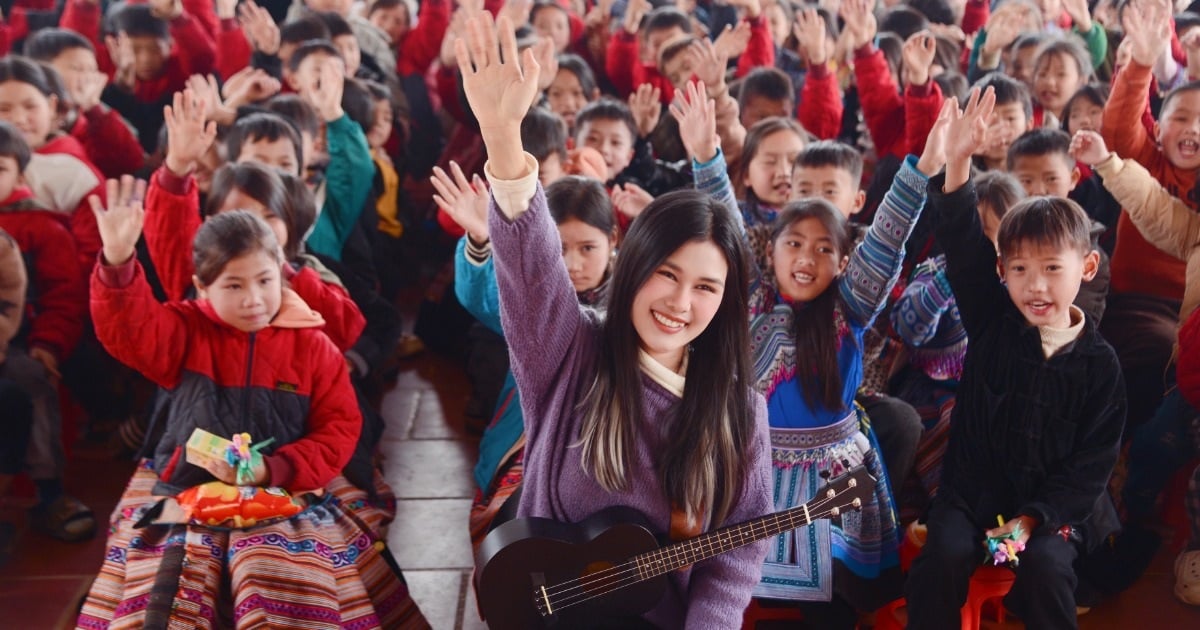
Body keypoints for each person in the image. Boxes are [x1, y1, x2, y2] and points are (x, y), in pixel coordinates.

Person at [447, 13, 772, 626]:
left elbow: (739, 546)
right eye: (666, 275)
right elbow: (534, 270)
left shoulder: (739, 410)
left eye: (706, 287)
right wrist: (505, 144)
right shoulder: (573, 354)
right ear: (632, 267)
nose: (680, 303)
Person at [77, 180, 427, 628]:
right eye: (233, 285)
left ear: (283, 273)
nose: (253, 299)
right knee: (170, 585)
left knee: (274, 576)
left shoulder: (313, 347)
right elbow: (128, 331)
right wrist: (119, 262)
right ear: (202, 287)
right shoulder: (183, 332)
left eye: (265, 281)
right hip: (185, 491)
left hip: (290, 493)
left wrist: (272, 470)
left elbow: (338, 429)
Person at [905, 87, 1126, 630]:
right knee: (946, 554)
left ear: (1088, 268)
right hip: (973, 497)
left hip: (1051, 515)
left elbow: (1090, 469)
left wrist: (1031, 521)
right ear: (1001, 272)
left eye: (1053, 268)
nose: (1036, 285)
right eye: (1020, 269)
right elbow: (961, 244)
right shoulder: (993, 323)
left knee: (1050, 570)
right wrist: (958, 161)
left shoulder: (1100, 365)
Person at [0, 121, 92, 542]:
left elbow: (63, 297)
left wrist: (48, 345)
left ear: (19, 177)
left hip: (21, 342)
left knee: (32, 382)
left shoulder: (40, 226)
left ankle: (49, 492)